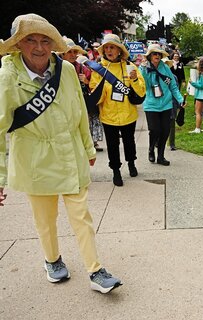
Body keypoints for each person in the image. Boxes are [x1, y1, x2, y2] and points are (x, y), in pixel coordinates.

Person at [0, 13, 121, 293]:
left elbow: (79, 112)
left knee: (82, 215)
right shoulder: (7, 76)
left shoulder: (65, 70)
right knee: (45, 218)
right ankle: (52, 260)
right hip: (34, 157)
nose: (39, 47)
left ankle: (95, 269)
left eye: (44, 40)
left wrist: (88, 147)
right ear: (18, 44)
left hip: (70, 152)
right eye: (30, 40)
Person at [89, 33, 146, 187]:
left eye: (112, 47)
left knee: (129, 142)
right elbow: (96, 98)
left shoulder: (130, 67)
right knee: (112, 145)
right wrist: (101, 86)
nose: (109, 50)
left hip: (128, 114)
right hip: (109, 116)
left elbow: (141, 93)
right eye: (106, 47)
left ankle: (131, 163)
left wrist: (133, 80)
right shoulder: (98, 69)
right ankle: (116, 171)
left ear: (119, 50)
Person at [139, 44, 185, 166]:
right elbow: (144, 85)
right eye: (154, 53)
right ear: (149, 56)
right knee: (154, 129)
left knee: (165, 131)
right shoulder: (144, 68)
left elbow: (173, 86)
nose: (157, 55)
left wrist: (180, 100)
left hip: (166, 104)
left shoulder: (165, 68)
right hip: (151, 104)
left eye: (159, 54)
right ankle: (151, 150)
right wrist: (144, 69)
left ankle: (160, 156)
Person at [60, 37, 104, 152]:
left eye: (75, 52)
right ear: (62, 54)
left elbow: (94, 88)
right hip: (62, 107)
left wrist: (87, 82)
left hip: (81, 106)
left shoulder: (83, 69)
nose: (73, 54)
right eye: (69, 52)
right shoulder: (56, 69)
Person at [168, 51, 186, 150]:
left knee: (172, 124)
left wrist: (180, 101)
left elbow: (175, 91)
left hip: (172, 103)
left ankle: (172, 144)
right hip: (161, 105)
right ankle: (157, 142)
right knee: (161, 126)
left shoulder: (174, 77)